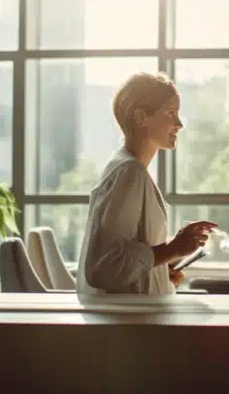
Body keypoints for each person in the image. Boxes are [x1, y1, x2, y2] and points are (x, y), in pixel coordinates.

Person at [77, 71, 217, 295]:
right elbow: (103, 268)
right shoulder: (129, 172)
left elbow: (126, 254)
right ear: (142, 117)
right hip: (128, 325)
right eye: (171, 113)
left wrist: (162, 267)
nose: (179, 124)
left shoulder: (128, 168)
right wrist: (173, 249)